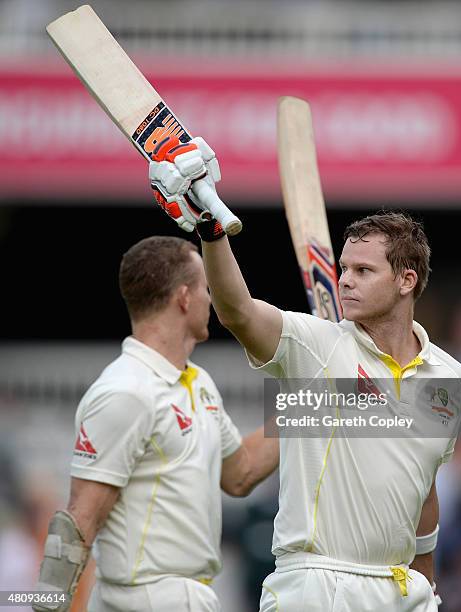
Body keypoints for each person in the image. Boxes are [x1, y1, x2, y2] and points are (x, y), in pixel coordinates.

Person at [148, 135, 461, 611]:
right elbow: (237, 311)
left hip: (402, 591)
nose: (345, 281)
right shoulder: (314, 346)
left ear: (407, 281)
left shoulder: (449, 376)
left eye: (364, 271)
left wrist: (427, 586)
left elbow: (423, 491)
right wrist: (210, 228)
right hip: (316, 586)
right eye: (344, 269)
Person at [33, 235, 279, 612]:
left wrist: (318, 403)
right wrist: (42, 605)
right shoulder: (125, 391)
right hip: (139, 598)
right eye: (205, 289)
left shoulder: (198, 382)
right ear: (183, 297)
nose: (210, 299)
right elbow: (78, 523)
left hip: (191, 595)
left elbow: (240, 473)